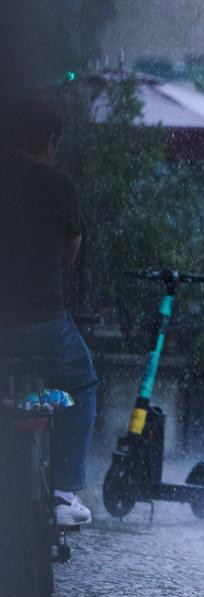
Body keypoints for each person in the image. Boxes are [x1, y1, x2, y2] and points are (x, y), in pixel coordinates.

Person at [0, 97, 97, 526]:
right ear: (49, 140)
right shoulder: (59, 186)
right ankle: (63, 493)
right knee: (82, 379)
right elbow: (70, 256)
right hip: (43, 324)